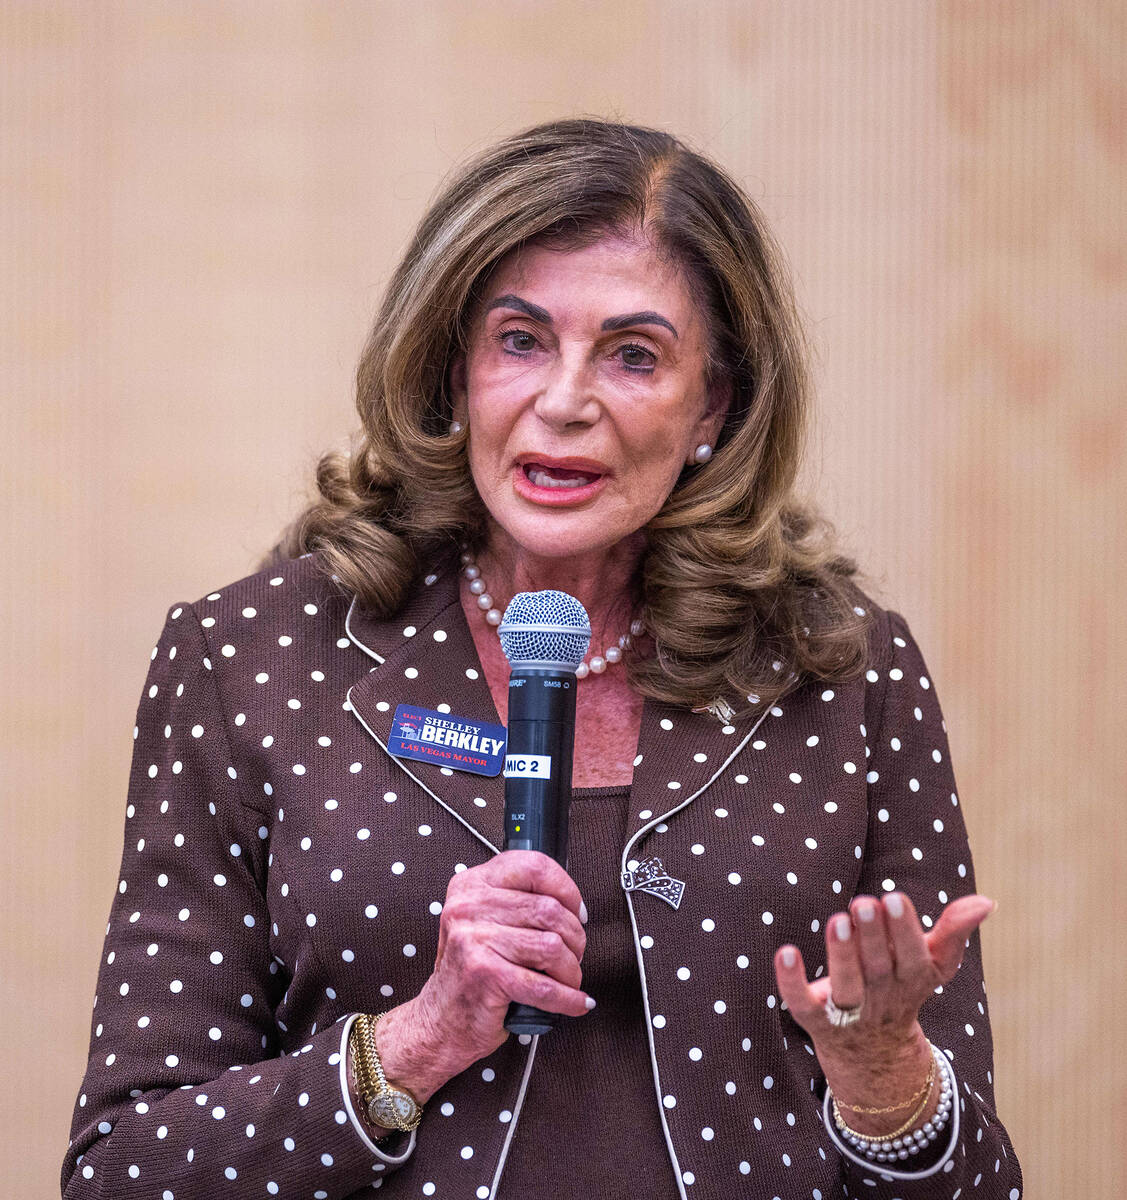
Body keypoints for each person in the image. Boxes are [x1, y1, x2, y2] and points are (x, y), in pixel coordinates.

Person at [62, 119, 1022, 1200]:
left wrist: (885, 1083)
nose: (564, 401)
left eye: (632, 354)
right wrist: (415, 1042)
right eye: (520, 340)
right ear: (455, 371)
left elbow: (980, 1184)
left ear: (713, 405)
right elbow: (123, 1168)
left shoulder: (840, 668)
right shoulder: (255, 658)